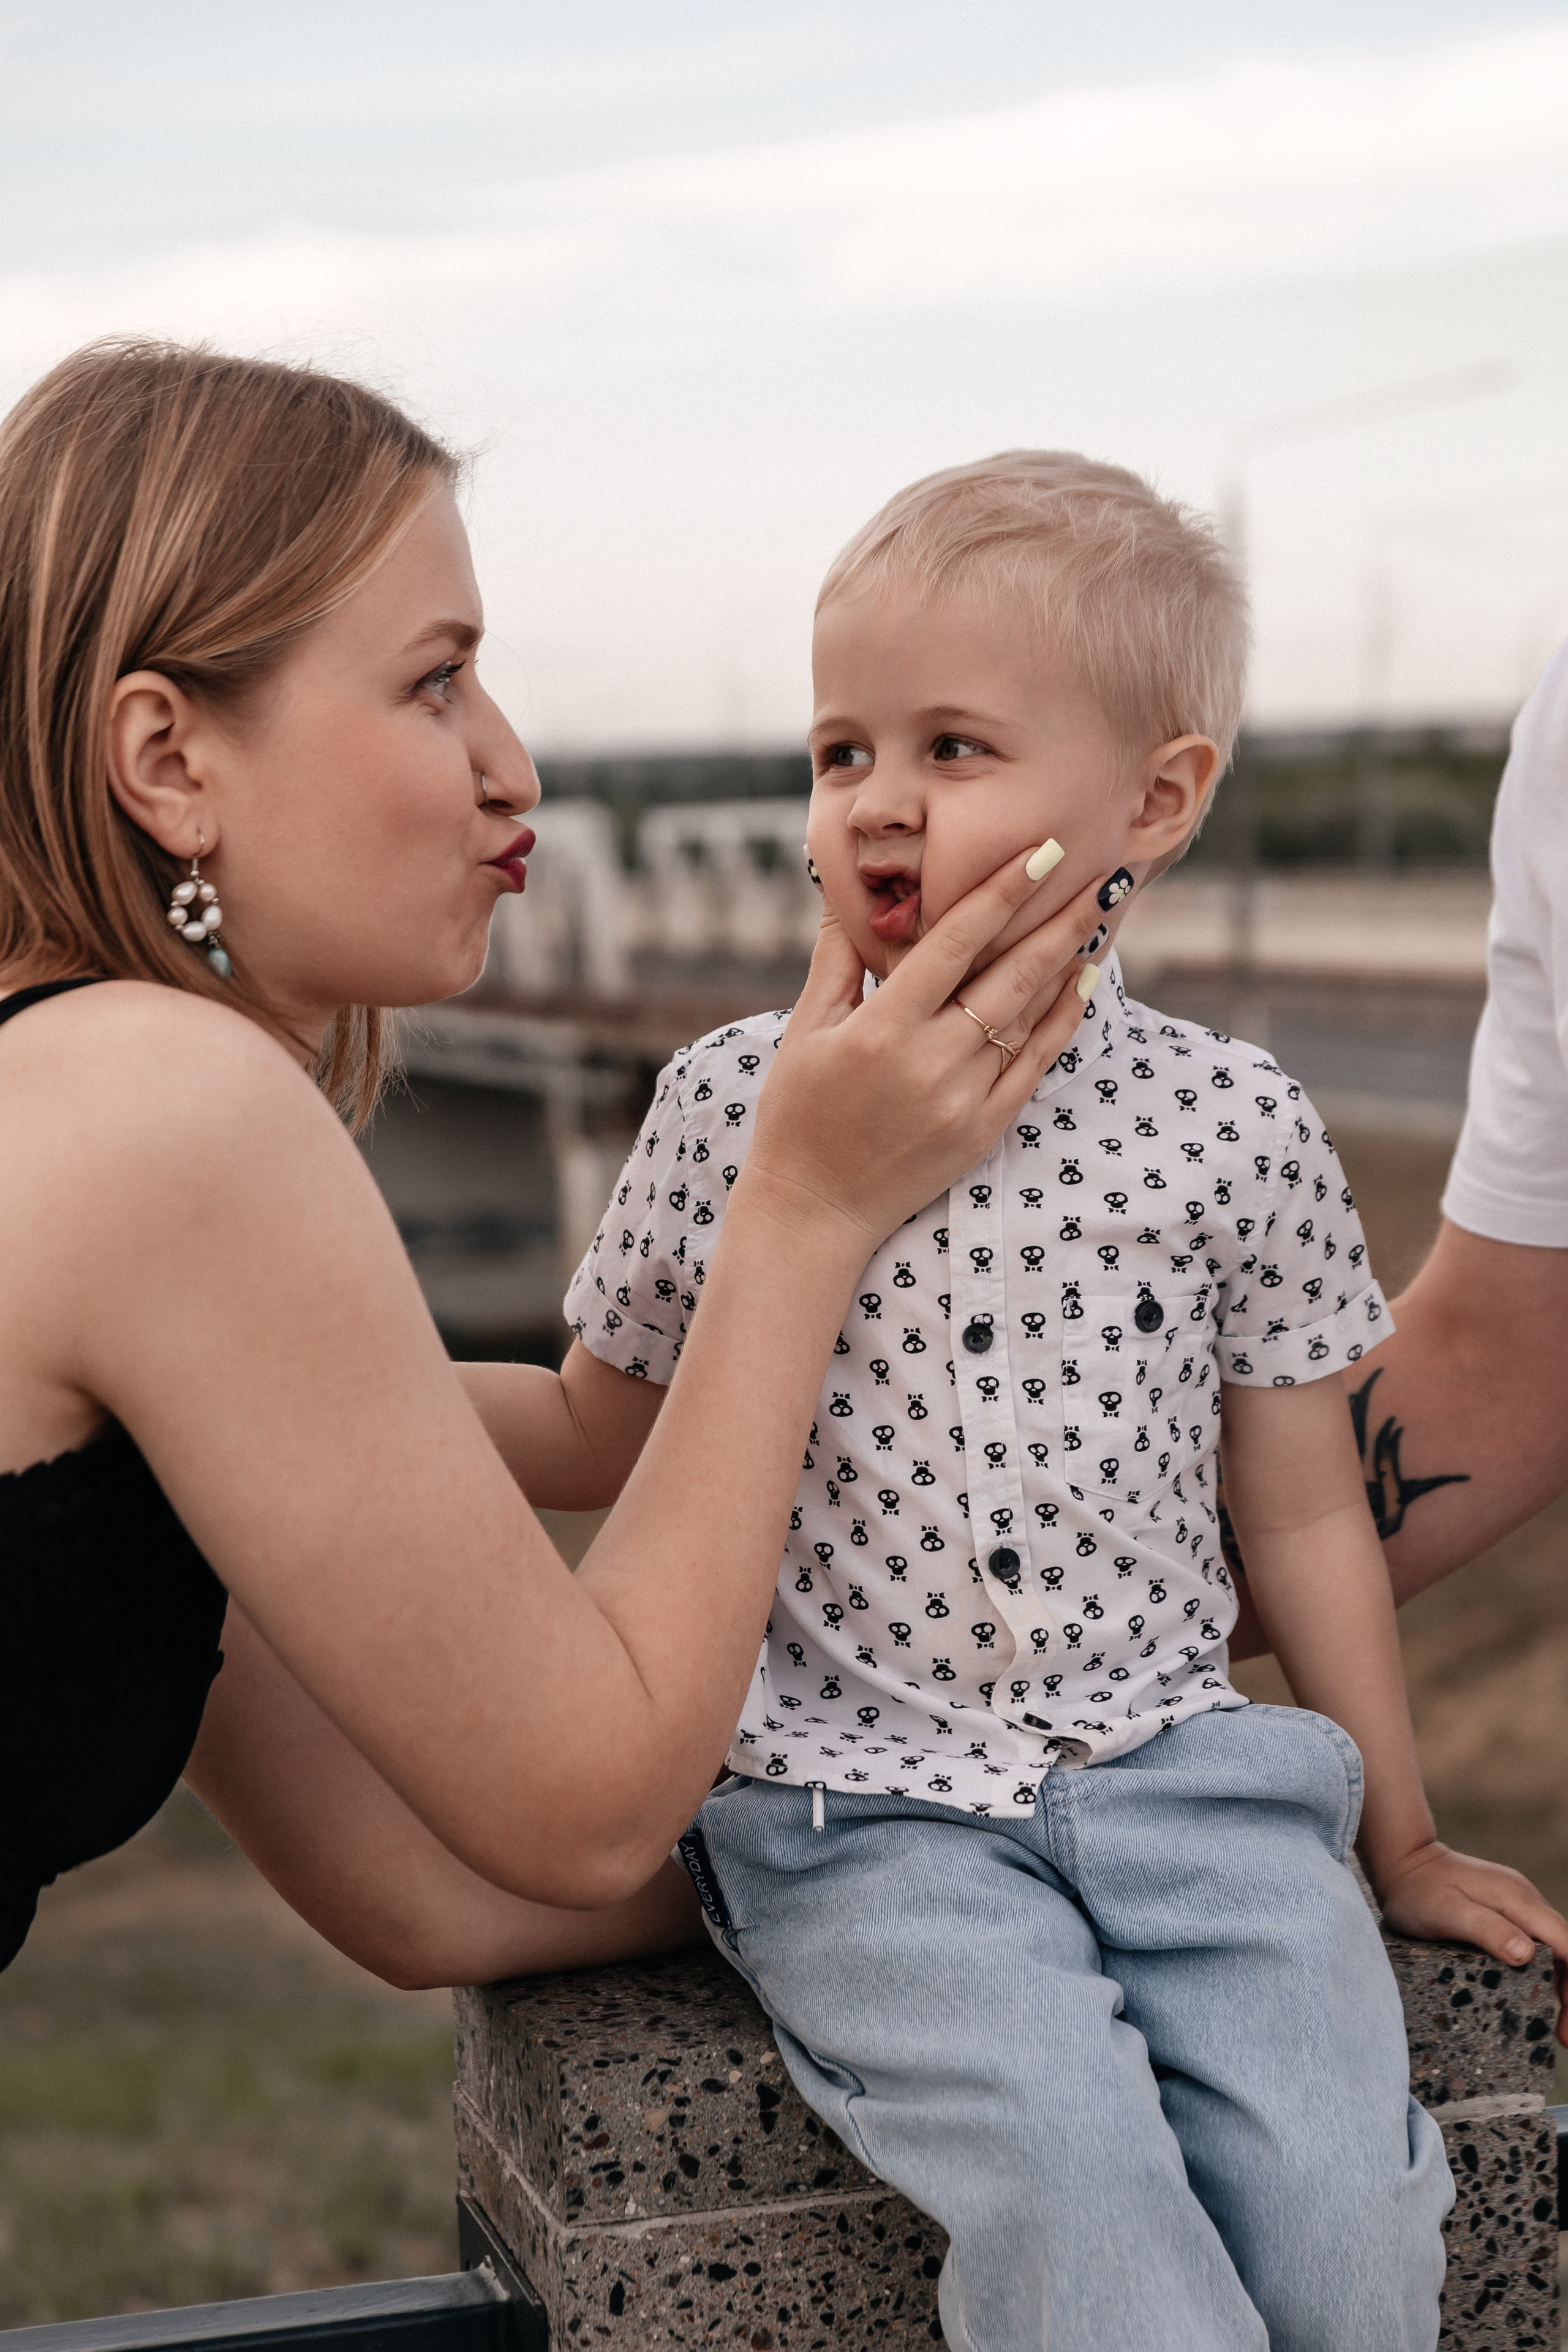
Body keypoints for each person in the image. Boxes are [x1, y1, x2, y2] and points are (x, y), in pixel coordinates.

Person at [514, 454, 1568, 2351]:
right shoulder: (728, 1109)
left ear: (1157, 800)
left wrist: (1398, 1833)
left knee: (1350, 2226)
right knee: (1088, 2218)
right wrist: (301, 1404)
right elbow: (601, 1426)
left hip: (1195, 1787)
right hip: (861, 1823)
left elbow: (1305, 1508)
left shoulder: (1235, 1123)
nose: (879, 800)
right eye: (840, 751)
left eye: (954, 747)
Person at [0, 344, 1112, 1991]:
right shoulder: (164, 1107)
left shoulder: (68, 1095)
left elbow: (431, 1892)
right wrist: (804, 1208)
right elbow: (590, 1806)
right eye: (435, 681)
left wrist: (1044, 1823)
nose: (510, 766)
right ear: (168, 760)